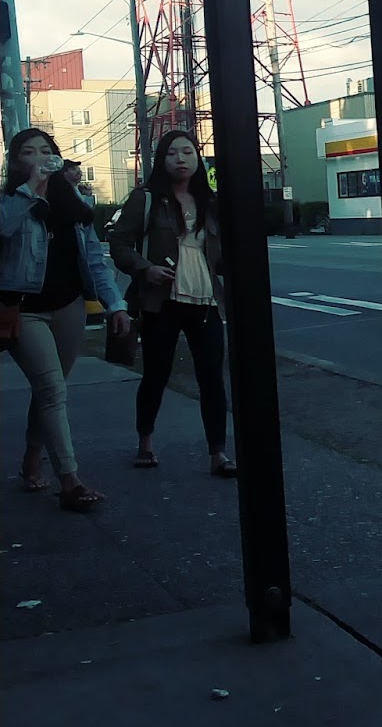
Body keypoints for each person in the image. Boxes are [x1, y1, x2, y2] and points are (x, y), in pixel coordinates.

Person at [1, 128, 131, 510]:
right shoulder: (10, 201)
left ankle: (32, 456)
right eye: (29, 152)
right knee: (53, 390)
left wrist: (115, 304)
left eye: (46, 151)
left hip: (70, 306)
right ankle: (70, 481)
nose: (39, 158)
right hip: (24, 310)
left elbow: (93, 259)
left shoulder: (72, 203)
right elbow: (3, 228)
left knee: (49, 390)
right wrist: (31, 188)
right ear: (16, 161)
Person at [110, 131, 237, 477]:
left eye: (188, 152)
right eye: (172, 153)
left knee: (212, 377)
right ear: (161, 160)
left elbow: (223, 251)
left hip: (205, 299)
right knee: (156, 373)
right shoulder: (146, 198)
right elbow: (119, 244)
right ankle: (145, 442)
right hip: (161, 300)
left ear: (198, 158)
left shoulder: (210, 201)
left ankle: (218, 453)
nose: (181, 159)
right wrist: (145, 269)